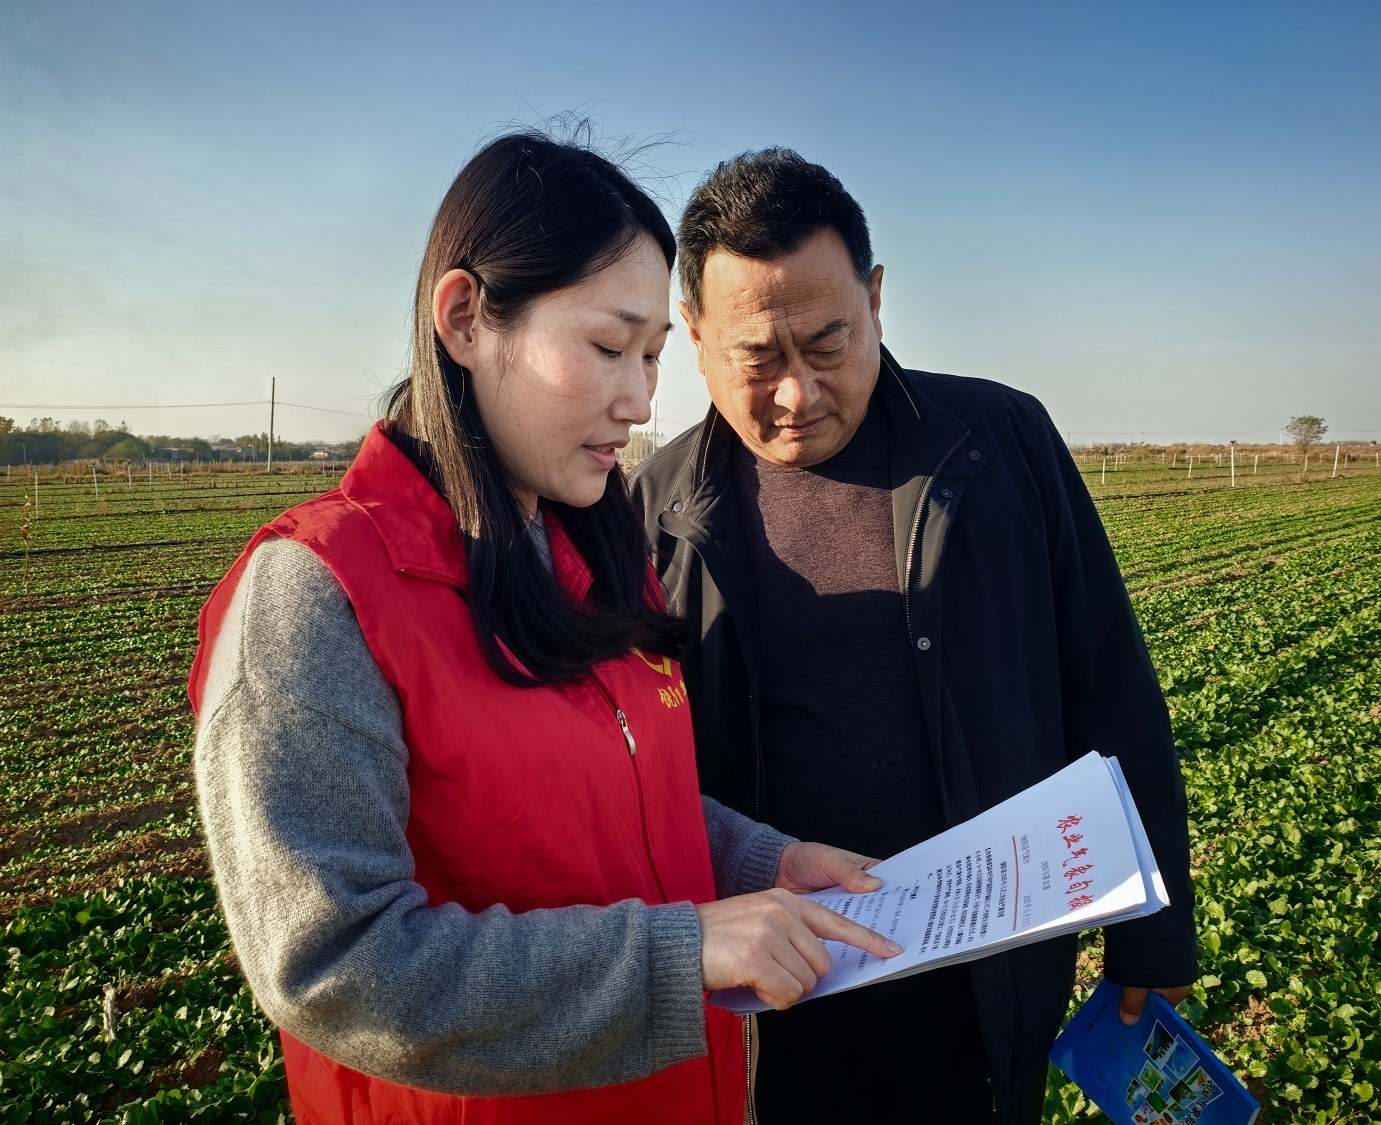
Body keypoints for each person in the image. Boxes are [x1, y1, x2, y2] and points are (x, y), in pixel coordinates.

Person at [189, 133, 900, 1125]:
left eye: (653, 357)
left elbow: (608, 810)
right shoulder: (316, 594)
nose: (640, 399)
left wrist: (761, 864)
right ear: (467, 319)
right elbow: (335, 961)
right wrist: (682, 950)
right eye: (610, 348)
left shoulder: (585, 558)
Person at [629, 149, 1198, 1124]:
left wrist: (1157, 933)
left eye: (828, 344)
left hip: (984, 979)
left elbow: (1109, 685)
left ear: (877, 299)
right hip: (770, 998)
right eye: (758, 360)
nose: (797, 395)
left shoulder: (1001, 443)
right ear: (692, 334)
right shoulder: (652, 506)